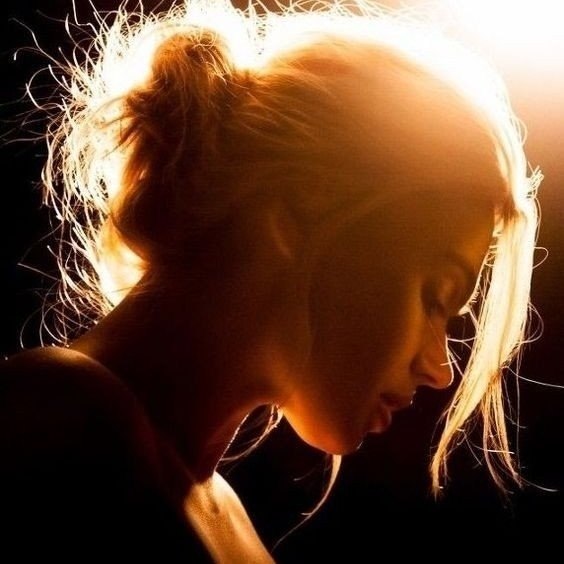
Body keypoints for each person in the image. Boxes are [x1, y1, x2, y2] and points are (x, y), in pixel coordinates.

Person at [0, 0, 541, 560]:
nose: (440, 369)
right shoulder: (55, 419)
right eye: (436, 297)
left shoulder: (214, 503)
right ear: (301, 210)